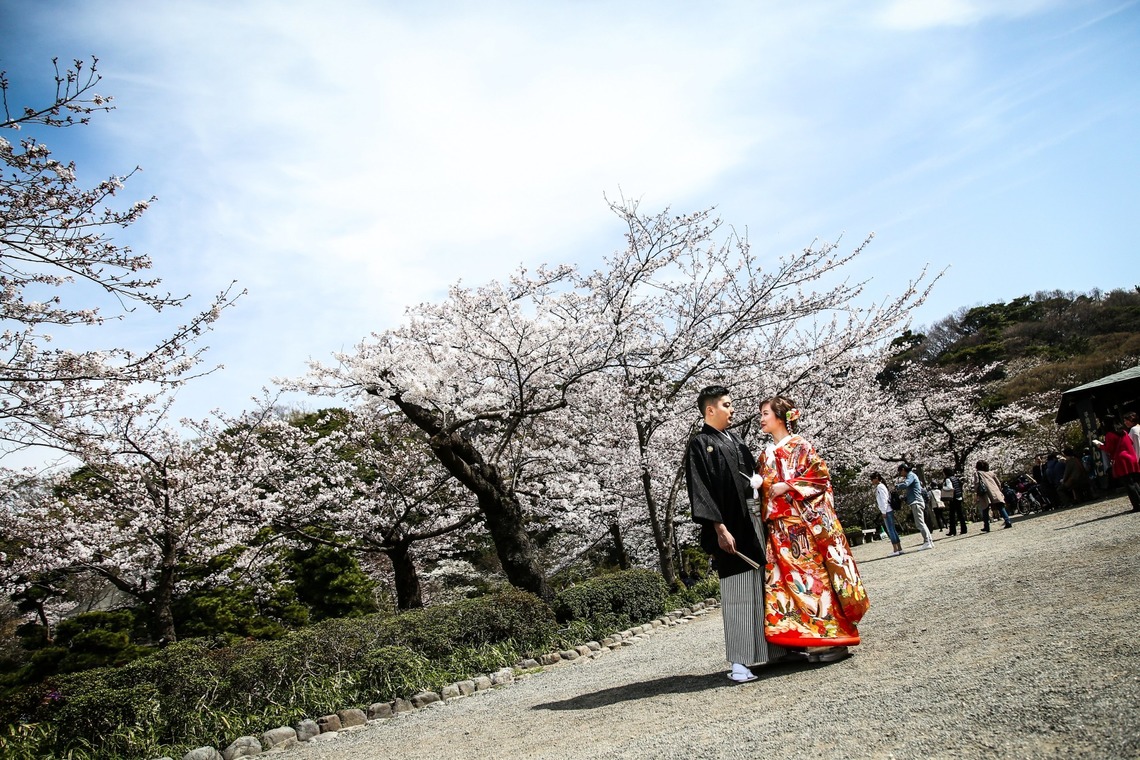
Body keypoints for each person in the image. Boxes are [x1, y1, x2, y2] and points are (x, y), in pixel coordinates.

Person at [686, 385, 789, 683]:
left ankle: (773, 651)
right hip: (729, 525)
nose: (732, 411)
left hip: (755, 520)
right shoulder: (699, 444)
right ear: (710, 410)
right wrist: (719, 528)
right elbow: (700, 491)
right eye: (727, 405)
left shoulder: (735, 439)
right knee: (739, 592)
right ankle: (740, 662)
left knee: (764, 585)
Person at [757, 396, 869, 663]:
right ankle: (803, 641)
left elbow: (820, 478)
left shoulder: (801, 445)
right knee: (785, 584)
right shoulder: (765, 453)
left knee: (814, 581)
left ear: (781, 417)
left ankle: (834, 639)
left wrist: (788, 486)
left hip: (803, 528)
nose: (761, 419)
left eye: (765, 413)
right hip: (779, 528)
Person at [1093, 420, 1140, 512]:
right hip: (1131, 457)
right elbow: (1130, 442)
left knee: (1128, 484)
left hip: (1121, 460)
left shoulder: (1109, 435)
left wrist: (1100, 445)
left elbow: (1109, 449)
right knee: (1135, 482)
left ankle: (1137, 505)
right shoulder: (1124, 432)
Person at [896, 463, 933, 550]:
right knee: (922, 523)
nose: (901, 475)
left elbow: (906, 484)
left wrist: (897, 486)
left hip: (916, 502)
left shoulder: (911, 475)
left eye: (900, 472)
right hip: (918, 501)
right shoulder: (912, 475)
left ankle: (927, 541)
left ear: (903, 470)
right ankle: (929, 541)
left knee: (919, 523)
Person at [974, 460, 1013, 531]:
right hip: (995, 491)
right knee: (1001, 507)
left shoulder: (978, 473)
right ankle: (1008, 521)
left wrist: (977, 491)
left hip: (985, 493)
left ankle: (986, 526)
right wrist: (999, 490)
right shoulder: (991, 473)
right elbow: (998, 483)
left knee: (985, 509)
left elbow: (977, 483)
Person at [871, 472, 903, 556]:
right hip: (889, 509)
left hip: (887, 510)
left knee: (890, 530)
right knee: (893, 529)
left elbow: (884, 500)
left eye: (872, 479)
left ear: (876, 478)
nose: (872, 481)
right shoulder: (882, 486)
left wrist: (883, 512)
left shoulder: (880, 487)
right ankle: (899, 548)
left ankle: (895, 549)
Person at [942, 467, 967, 535]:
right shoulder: (955, 478)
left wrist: (943, 487)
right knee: (960, 514)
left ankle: (952, 531)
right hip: (959, 496)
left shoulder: (948, 479)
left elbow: (950, 488)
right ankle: (964, 529)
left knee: (952, 515)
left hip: (953, 498)